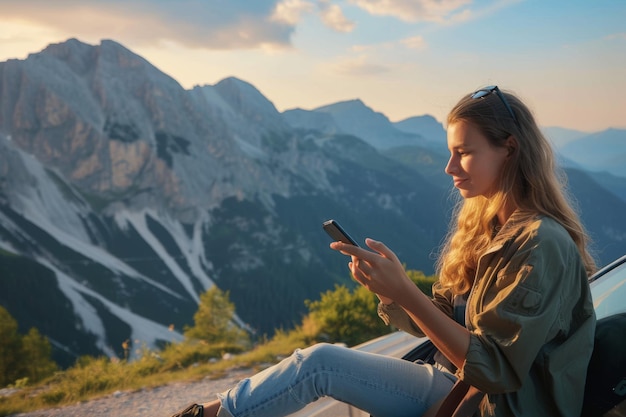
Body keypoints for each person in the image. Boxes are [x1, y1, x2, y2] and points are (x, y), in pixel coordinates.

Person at [169, 85, 597, 417]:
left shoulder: (541, 243)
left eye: (463, 153)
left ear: (509, 149)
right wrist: (390, 292)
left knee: (318, 364)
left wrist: (408, 293)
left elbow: (496, 370)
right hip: (462, 389)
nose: (449, 168)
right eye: (450, 153)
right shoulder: (487, 225)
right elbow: (449, 328)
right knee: (319, 365)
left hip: (495, 406)